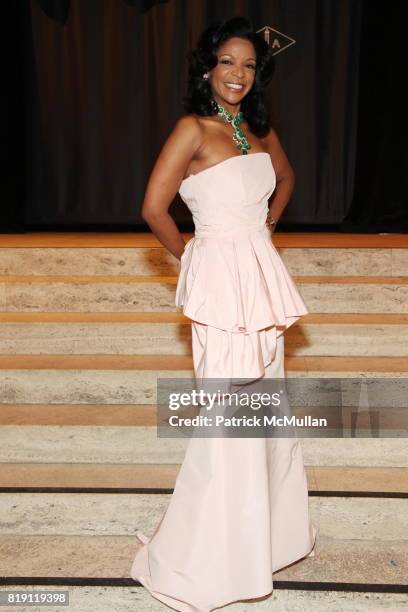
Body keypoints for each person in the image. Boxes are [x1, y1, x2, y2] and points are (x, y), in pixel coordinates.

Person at [130, 16, 316, 612]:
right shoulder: (193, 129)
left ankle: (264, 540)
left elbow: (284, 179)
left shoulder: (257, 130)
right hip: (220, 289)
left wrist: (264, 229)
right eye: (228, 62)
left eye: (249, 65)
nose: (238, 74)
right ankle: (210, 557)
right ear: (208, 66)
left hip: (260, 284)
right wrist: (194, 255)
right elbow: (154, 208)